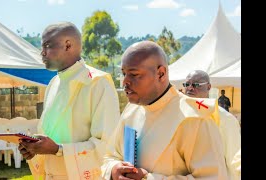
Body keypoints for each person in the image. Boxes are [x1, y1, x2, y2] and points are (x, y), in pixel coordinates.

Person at [101, 41, 228, 179]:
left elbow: (214, 177)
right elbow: (110, 156)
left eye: (134, 74)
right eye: (124, 73)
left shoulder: (195, 118)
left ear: (161, 73)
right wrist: (114, 170)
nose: (125, 81)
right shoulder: (131, 110)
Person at [18, 22, 121, 180]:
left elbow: (107, 145)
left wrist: (58, 150)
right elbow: (50, 134)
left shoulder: (98, 83)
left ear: (68, 45)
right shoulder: (53, 83)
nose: (42, 53)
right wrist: (34, 149)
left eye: (47, 46)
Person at [184, 70, 241, 180]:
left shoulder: (225, 118)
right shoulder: (179, 113)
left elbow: (234, 158)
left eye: (196, 85)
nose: (190, 88)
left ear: (209, 87)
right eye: (187, 84)